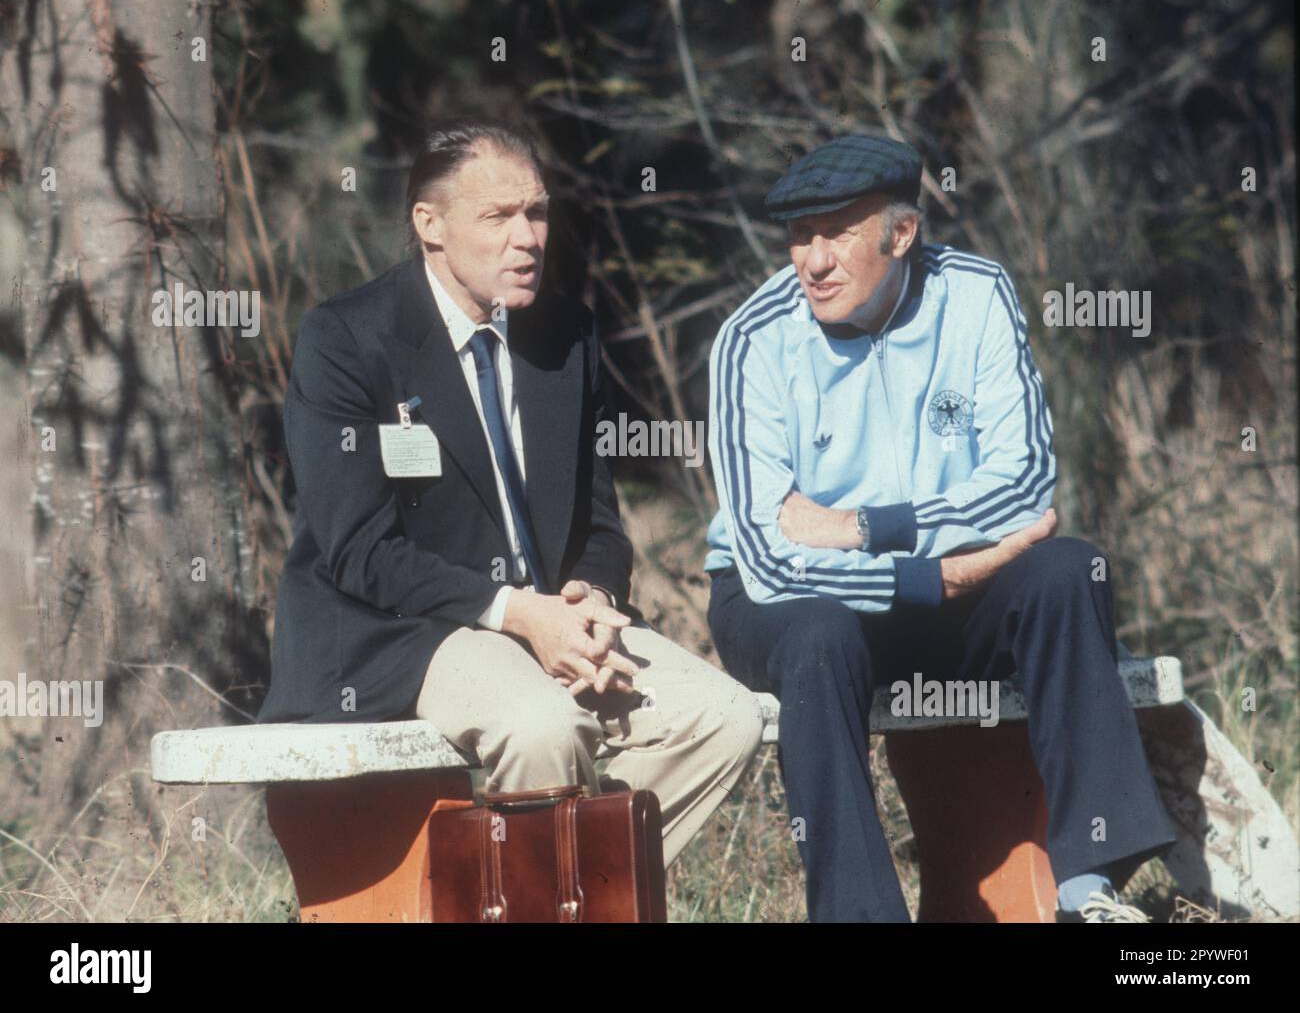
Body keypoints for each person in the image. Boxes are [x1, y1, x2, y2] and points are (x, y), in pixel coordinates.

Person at [259, 117, 763, 870]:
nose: (526, 237)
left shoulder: (566, 334)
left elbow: (600, 522)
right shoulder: (350, 338)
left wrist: (591, 596)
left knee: (727, 717)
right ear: (429, 224)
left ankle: (552, 893)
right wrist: (519, 614)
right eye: (497, 217)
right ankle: (555, 890)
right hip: (407, 630)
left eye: (537, 212)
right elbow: (362, 554)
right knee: (542, 727)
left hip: (550, 619)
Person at [704, 132, 1178, 922]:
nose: (813, 260)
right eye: (798, 235)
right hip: (792, 605)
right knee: (822, 638)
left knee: (1066, 569)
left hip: (943, 586)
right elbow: (766, 555)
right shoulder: (752, 339)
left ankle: (1088, 888)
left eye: (838, 233)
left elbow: (1025, 485)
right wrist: (925, 571)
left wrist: (864, 527)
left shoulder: (978, 293)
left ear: (901, 233)